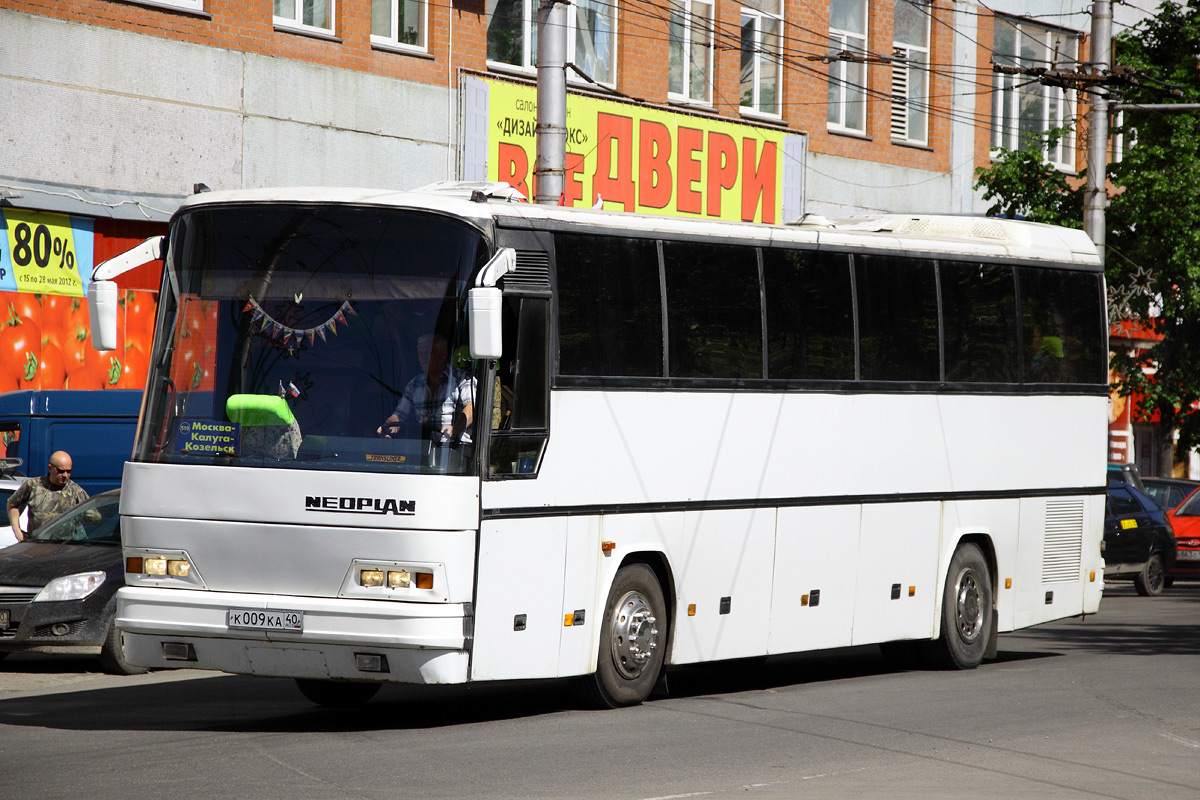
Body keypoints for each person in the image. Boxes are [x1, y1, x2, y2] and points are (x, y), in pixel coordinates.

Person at [378, 333, 476, 444]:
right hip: (426, 453)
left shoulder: (462, 379)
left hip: (457, 452)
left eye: (428, 353)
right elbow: (399, 416)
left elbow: (471, 407)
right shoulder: (415, 384)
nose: (423, 358)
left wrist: (455, 430)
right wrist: (389, 426)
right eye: (420, 353)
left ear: (443, 353)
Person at [7, 451, 90, 541]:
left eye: (68, 471)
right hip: (38, 545)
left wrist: (93, 516)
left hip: (65, 547)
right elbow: (11, 504)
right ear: (50, 468)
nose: (65, 475)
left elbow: (95, 517)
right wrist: (17, 531)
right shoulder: (33, 485)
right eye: (61, 471)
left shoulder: (75, 491)